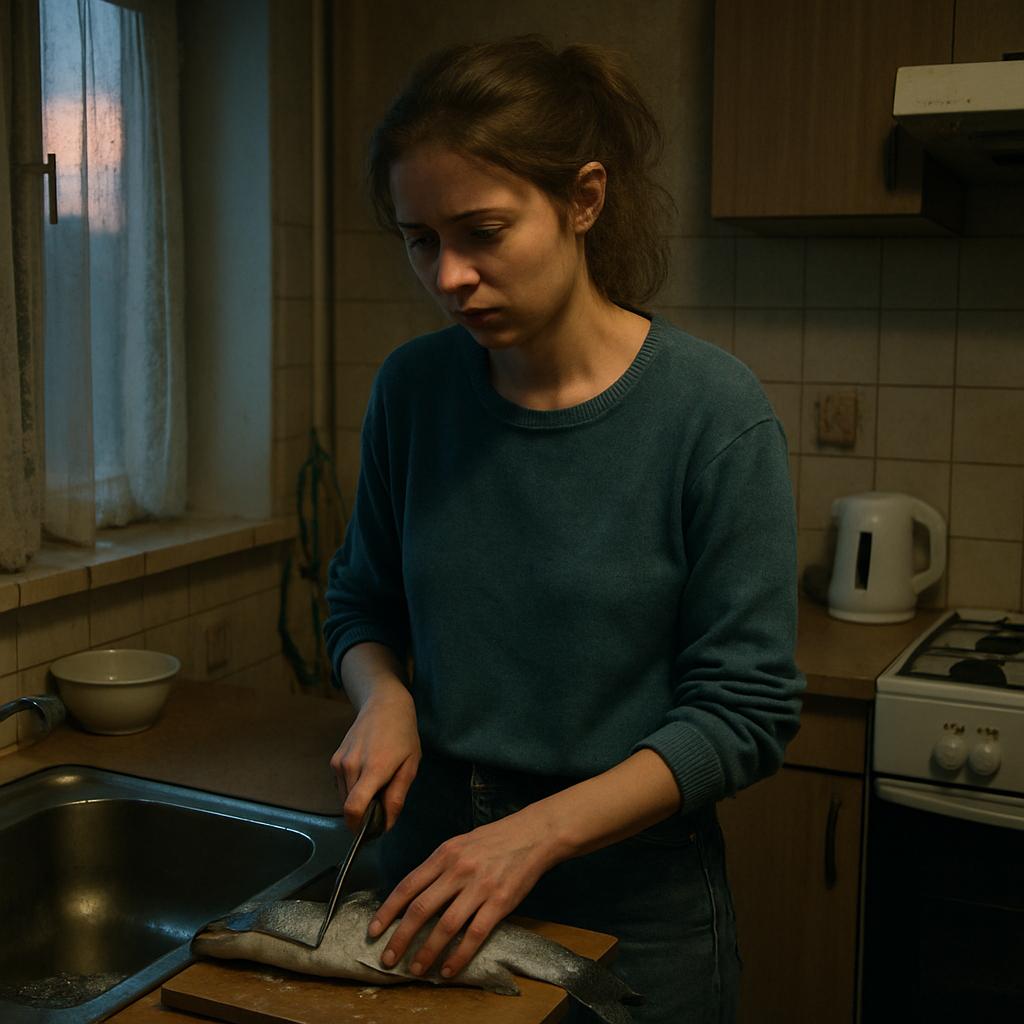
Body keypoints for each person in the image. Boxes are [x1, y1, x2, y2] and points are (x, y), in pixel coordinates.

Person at [323, 34, 804, 1024]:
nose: (450, 276)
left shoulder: (710, 411)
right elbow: (360, 603)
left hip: (636, 901)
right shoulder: (413, 392)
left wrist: (536, 833)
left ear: (583, 200)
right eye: (421, 240)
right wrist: (382, 696)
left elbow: (743, 711)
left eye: (483, 232)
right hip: (434, 873)